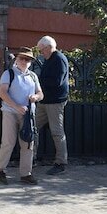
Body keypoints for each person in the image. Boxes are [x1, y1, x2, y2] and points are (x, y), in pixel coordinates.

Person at [0, 47, 43, 185]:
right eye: (22, 58)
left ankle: (26, 174)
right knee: (8, 142)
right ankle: (0, 171)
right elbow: (2, 93)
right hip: (10, 112)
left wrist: (35, 97)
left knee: (28, 143)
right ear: (16, 59)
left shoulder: (33, 76)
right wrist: (16, 106)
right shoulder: (8, 74)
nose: (24, 61)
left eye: (27, 59)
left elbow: (40, 93)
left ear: (31, 62)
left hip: (27, 114)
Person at [35, 36, 70, 175]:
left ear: (48, 47)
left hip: (55, 101)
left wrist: (39, 84)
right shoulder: (49, 59)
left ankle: (61, 162)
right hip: (44, 101)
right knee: (33, 128)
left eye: (42, 50)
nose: (41, 53)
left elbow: (57, 81)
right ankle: (30, 157)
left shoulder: (59, 59)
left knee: (57, 131)